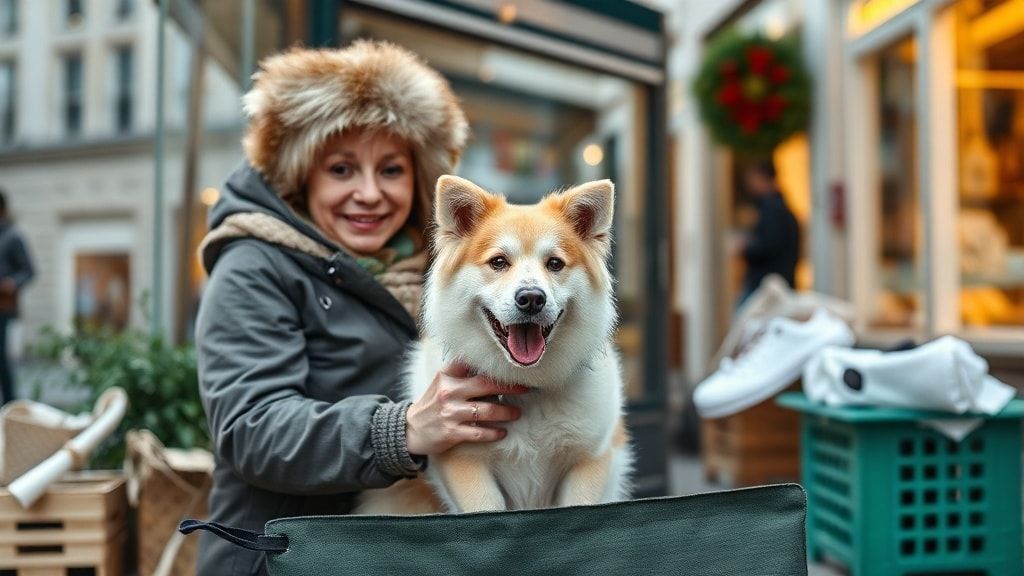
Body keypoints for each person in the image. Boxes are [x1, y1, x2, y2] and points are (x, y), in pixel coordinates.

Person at [195, 42, 524, 575]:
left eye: (390, 170)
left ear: (418, 178)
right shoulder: (254, 266)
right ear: (303, 175)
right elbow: (252, 428)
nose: (369, 194)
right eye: (342, 169)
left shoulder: (446, 272)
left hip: (393, 554)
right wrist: (403, 430)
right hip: (282, 561)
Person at [734, 160, 800, 306]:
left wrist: (745, 248)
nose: (750, 184)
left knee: (746, 320)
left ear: (762, 178)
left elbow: (768, 245)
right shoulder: (779, 206)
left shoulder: (772, 209)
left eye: (752, 179)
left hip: (767, 285)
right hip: (778, 282)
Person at [0, 189, 34, 405]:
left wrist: (12, 283)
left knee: (1, 358)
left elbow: (29, 271)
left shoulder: (13, 236)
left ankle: (10, 405)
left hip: (3, 306)